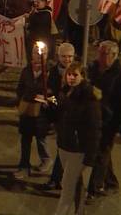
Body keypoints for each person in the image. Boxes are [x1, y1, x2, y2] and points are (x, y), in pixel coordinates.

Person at [87, 41, 121, 201]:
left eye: (104, 54)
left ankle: (94, 188)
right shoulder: (93, 69)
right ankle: (111, 182)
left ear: (113, 56)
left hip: (110, 121)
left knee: (99, 154)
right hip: (93, 118)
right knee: (103, 154)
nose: (99, 56)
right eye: (99, 52)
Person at [53, 62, 101, 215]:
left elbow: (94, 129)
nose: (71, 78)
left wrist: (90, 159)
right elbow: (59, 118)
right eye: (69, 74)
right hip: (64, 145)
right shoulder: (64, 92)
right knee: (74, 185)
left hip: (77, 149)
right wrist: (49, 107)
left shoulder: (88, 97)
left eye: (75, 75)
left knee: (67, 188)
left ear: (83, 76)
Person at [14, 44, 53, 179]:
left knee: (41, 138)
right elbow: (20, 88)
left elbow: (55, 94)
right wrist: (21, 99)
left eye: (42, 53)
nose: (38, 55)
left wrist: (48, 99)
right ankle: (24, 166)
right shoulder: (27, 70)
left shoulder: (50, 72)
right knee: (25, 139)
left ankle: (46, 159)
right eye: (35, 53)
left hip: (41, 112)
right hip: (27, 110)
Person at [42, 42, 75, 190]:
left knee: (65, 149)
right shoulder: (54, 72)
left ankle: (58, 178)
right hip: (59, 115)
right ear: (58, 57)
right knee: (63, 148)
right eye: (64, 56)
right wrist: (55, 103)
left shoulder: (78, 71)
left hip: (73, 116)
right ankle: (58, 178)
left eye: (70, 56)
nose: (67, 59)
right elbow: (50, 94)